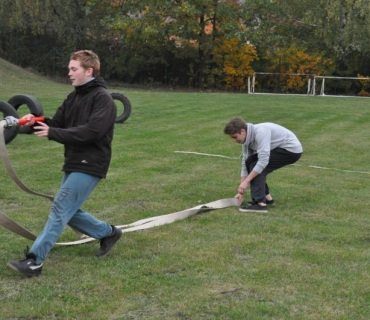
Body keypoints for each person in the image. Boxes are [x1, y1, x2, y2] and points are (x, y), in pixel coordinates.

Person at [7, 50, 122, 277]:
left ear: (89, 71)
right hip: (73, 161)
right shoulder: (74, 97)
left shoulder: (103, 99)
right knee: (69, 210)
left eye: (73, 69)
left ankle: (34, 261)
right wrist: (29, 122)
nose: (69, 73)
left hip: (92, 162)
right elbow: (56, 123)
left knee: (60, 208)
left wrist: (53, 131)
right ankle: (108, 233)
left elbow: (93, 131)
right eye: (69, 68)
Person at [224, 118, 303, 213]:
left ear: (243, 131)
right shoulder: (246, 139)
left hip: (291, 151)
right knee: (250, 162)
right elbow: (245, 162)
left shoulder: (261, 132)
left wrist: (247, 181)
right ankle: (268, 199)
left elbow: (263, 161)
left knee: (256, 166)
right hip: (279, 149)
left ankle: (260, 204)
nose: (234, 141)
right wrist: (241, 189)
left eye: (235, 137)